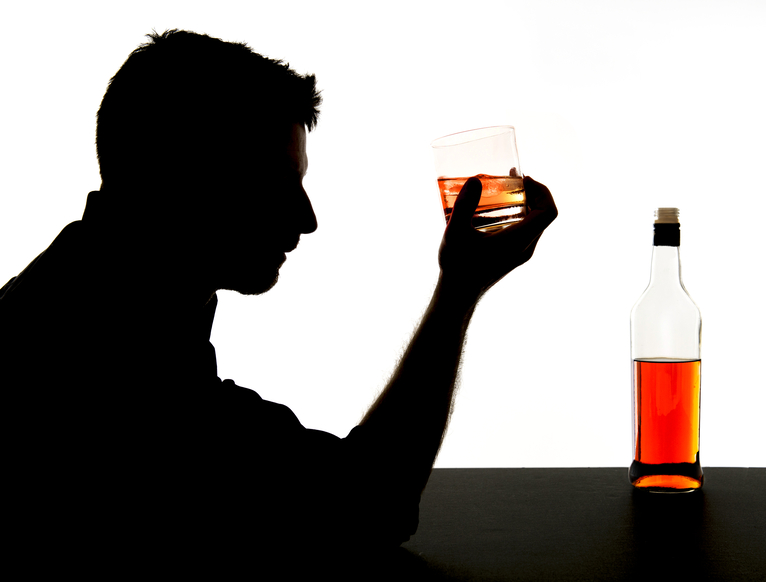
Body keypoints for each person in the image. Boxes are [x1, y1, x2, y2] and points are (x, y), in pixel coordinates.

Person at [1, 30, 557, 574]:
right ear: (178, 175)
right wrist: (459, 289)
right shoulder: (110, 363)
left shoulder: (85, 302)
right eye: (273, 183)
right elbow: (369, 504)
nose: (307, 219)